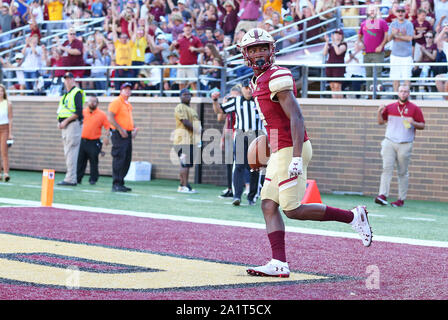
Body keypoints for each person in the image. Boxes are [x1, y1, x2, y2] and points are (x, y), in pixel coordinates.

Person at [238, 28, 372, 277]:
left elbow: (296, 117)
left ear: (272, 50)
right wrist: (270, 146)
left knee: (292, 209)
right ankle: (279, 263)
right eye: (253, 49)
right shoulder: (258, 80)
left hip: (292, 148)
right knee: (268, 204)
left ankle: (354, 216)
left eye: (263, 48)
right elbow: (274, 121)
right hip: (281, 149)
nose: (258, 54)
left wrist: (296, 156)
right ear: (246, 54)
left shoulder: (277, 75)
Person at [211, 79, 264, 206]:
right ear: (242, 88)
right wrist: (214, 100)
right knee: (239, 166)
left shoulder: (260, 101)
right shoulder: (236, 101)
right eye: (246, 87)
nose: (249, 89)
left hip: (256, 136)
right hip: (241, 135)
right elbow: (219, 111)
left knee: (255, 168)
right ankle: (237, 196)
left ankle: (252, 196)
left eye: (251, 87)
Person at [374, 85, 425, 208]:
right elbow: (381, 122)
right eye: (401, 91)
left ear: (409, 93)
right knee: (387, 169)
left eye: (406, 91)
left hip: (405, 143)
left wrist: (413, 122)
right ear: (398, 93)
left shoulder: (414, 109)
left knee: (402, 172)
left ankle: (401, 199)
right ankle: (382, 195)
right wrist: (379, 112)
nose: (403, 93)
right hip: (389, 142)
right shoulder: (390, 107)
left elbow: (422, 125)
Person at [107, 82, 138, 192]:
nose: (128, 91)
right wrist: (120, 129)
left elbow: (128, 119)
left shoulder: (127, 104)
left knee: (126, 159)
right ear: (121, 91)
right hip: (119, 134)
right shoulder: (117, 102)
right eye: (125, 89)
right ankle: (116, 183)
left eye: (129, 89)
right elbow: (110, 117)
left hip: (127, 134)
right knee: (119, 158)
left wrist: (134, 129)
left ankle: (121, 182)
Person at [56, 72, 85, 186]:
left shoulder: (76, 93)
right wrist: (60, 122)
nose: (67, 81)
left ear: (73, 80)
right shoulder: (66, 94)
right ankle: (70, 177)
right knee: (68, 152)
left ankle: (71, 178)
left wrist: (65, 121)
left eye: (69, 79)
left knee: (71, 152)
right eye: (66, 79)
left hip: (72, 125)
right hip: (66, 126)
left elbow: (78, 112)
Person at [173, 88, 202, 193]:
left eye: (189, 94)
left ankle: (183, 185)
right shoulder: (180, 107)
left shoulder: (192, 109)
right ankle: (184, 186)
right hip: (182, 140)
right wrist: (196, 130)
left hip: (190, 140)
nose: (187, 96)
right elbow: (185, 122)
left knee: (187, 164)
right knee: (184, 163)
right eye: (184, 94)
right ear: (180, 96)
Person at [77, 96, 110, 185]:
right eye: (90, 101)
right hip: (82, 140)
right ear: (87, 102)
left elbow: (108, 127)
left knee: (94, 161)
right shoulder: (83, 112)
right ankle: (78, 178)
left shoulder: (102, 114)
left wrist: (107, 137)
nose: (92, 103)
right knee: (80, 161)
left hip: (94, 141)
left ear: (97, 103)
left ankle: (93, 179)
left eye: (94, 102)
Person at [358, 4, 389, 95]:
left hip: (377, 53)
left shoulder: (382, 22)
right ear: (367, 12)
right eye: (370, 10)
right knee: (368, 74)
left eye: (374, 10)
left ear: (377, 11)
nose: (372, 11)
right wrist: (361, 44)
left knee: (377, 73)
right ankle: (369, 93)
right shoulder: (364, 23)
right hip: (366, 53)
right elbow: (359, 36)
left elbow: (387, 36)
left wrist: (381, 46)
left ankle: (377, 94)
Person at [170, 22, 204, 93]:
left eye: (189, 27)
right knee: (181, 84)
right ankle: (182, 99)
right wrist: (173, 44)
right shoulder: (180, 40)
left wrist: (195, 49)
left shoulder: (195, 39)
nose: (188, 28)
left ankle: (195, 99)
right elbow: (171, 49)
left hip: (191, 65)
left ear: (191, 29)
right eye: (186, 27)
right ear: (184, 29)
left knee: (193, 83)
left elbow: (202, 49)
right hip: (182, 65)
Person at [387, 5, 415, 92]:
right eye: (398, 11)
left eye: (402, 11)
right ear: (396, 13)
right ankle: (396, 98)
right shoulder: (393, 24)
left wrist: (397, 35)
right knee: (395, 79)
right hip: (395, 55)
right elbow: (388, 39)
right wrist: (393, 34)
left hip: (406, 56)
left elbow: (409, 38)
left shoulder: (409, 24)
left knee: (407, 79)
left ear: (405, 13)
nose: (400, 13)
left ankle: (407, 99)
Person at [323, 29, 347, 99]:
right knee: (332, 86)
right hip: (330, 66)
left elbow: (338, 52)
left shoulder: (343, 44)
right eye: (336, 34)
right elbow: (324, 53)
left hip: (338, 67)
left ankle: (340, 103)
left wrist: (334, 43)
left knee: (337, 86)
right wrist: (327, 42)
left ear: (342, 36)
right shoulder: (331, 44)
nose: (337, 36)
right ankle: (334, 102)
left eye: (339, 34)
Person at [0, 84, 13, 182]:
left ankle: (6, 173)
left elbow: (10, 119)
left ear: (4, 92)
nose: (0, 93)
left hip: (4, 129)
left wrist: (10, 133)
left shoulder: (8, 103)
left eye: (1, 91)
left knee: (4, 151)